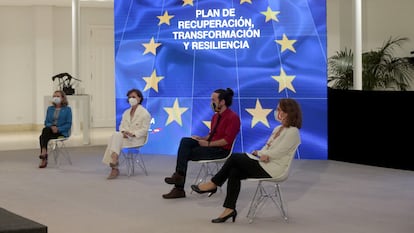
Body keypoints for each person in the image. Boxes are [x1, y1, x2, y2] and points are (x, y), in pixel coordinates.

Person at [191, 98, 302, 223]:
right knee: (234, 171)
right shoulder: (278, 129)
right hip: (264, 163)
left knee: (235, 157)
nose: (276, 112)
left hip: (274, 169)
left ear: (288, 113)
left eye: (279, 110)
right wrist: (260, 153)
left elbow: (278, 152)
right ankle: (229, 209)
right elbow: (268, 147)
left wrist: (260, 153)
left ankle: (213, 183)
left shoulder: (293, 132)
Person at [162, 88, 241, 199]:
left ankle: (179, 187)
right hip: (210, 146)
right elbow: (212, 135)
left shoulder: (233, 118)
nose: (211, 102)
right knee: (186, 141)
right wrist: (201, 139)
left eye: (213, 100)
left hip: (221, 150)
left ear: (222, 102)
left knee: (186, 153)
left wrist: (207, 144)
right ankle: (179, 178)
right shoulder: (215, 116)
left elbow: (226, 140)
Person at [102, 88, 151, 179]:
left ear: (139, 98)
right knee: (116, 135)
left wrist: (133, 134)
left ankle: (114, 166)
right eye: (129, 97)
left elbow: (145, 130)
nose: (131, 99)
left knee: (114, 138)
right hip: (125, 138)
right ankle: (114, 163)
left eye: (133, 97)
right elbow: (121, 126)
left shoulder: (145, 113)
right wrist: (124, 132)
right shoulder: (126, 113)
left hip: (137, 139)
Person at [38, 90, 73, 168]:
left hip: (61, 132)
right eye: (54, 96)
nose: (55, 98)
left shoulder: (67, 109)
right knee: (46, 130)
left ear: (62, 98)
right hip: (50, 130)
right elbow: (46, 122)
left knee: (42, 136)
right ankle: (44, 154)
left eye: (58, 96)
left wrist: (58, 129)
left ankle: (44, 156)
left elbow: (68, 124)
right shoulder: (50, 108)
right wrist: (52, 127)